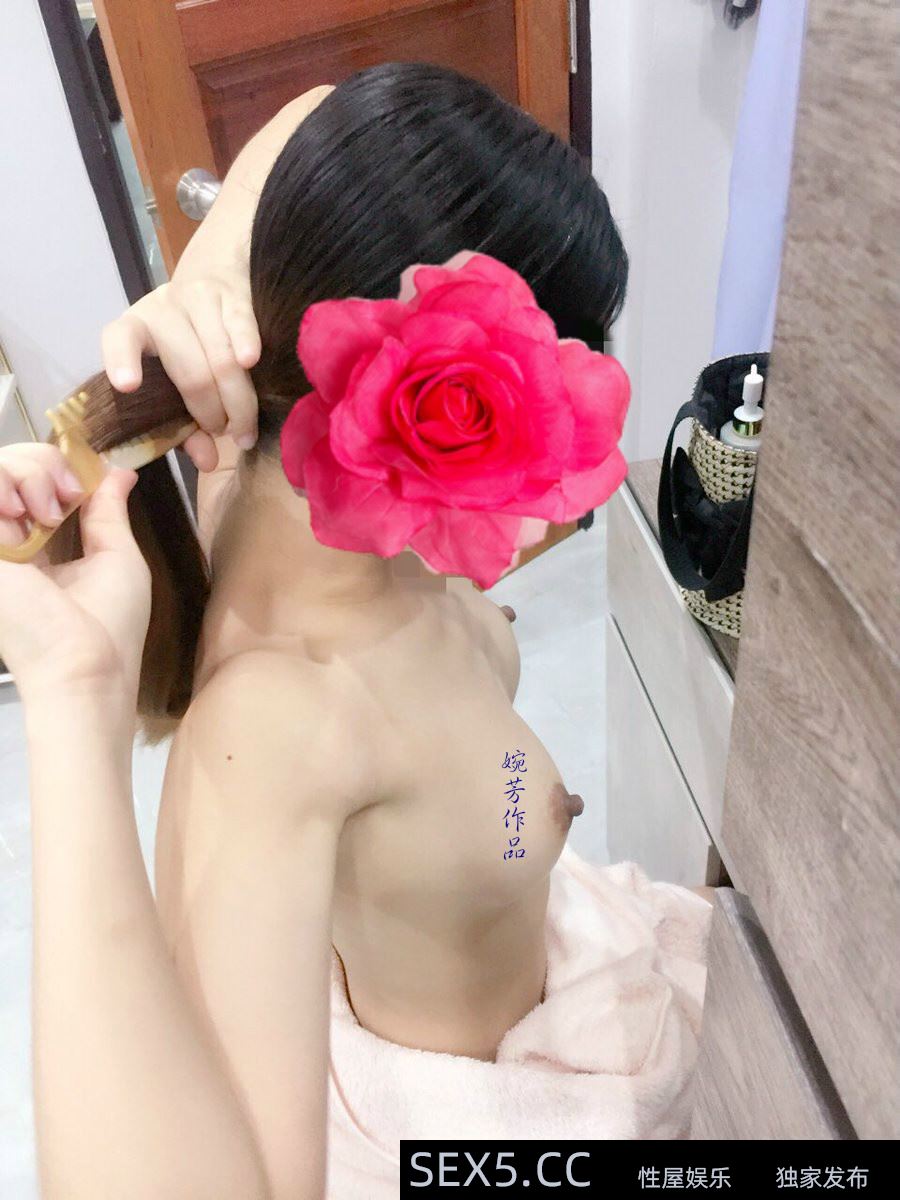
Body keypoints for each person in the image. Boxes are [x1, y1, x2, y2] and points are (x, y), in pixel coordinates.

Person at [0, 65, 712, 1200]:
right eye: (563, 379)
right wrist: (73, 701)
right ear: (451, 388)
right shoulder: (282, 718)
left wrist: (211, 276)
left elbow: (318, 108)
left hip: (560, 950)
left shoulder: (253, 472)